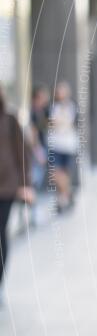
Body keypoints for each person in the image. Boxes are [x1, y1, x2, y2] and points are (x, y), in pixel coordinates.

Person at [0, 86, 33, 292]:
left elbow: (23, 152)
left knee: (1, 232)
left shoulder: (10, 120)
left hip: (6, 187)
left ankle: (0, 283)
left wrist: (25, 184)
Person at [47, 81, 79, 213]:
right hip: (55, 145)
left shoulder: (72, 107)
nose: (60, 94)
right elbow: (51, 124)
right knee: (56, 174)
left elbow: (70, 124)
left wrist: (60, 124)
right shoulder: (53, 107)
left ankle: (61, 199)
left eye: (63, 91)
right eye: (59, 91)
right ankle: (68, 194)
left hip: (68, 146)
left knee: (64, 173)